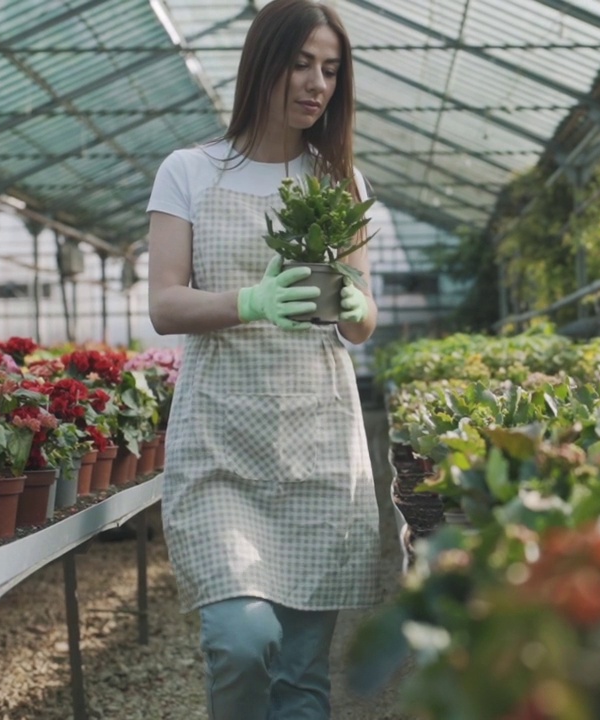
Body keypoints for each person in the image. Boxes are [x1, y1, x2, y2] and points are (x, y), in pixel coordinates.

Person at [145, 1, 385, 717]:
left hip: (318, 449)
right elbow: (164, 303)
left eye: (332, 70)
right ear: (263, 64)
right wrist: (248, 302)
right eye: (302, 63)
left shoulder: (340, 181)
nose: (317, 84)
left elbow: (364, 321)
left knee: (304, 682)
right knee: (242, 641)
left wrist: (352, 304)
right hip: (220, 447)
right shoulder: (190, 170)